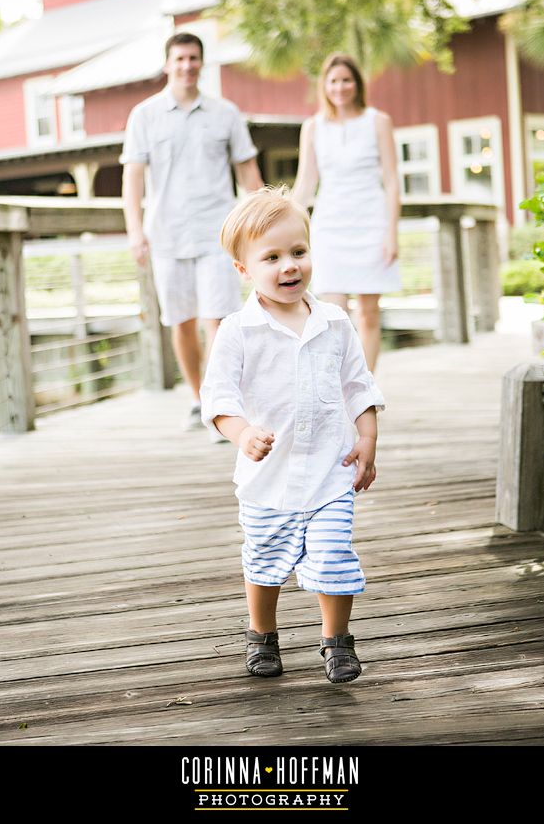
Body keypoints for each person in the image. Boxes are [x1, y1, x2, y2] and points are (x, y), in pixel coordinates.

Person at [200, 186, 385, 683]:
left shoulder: (334, 322)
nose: (289, 266)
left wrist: (366, 440)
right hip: (269, 481)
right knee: (264, 560)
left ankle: (337, 641)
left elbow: (358, 385)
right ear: (244, 270)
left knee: (334, 554)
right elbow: (217, 400)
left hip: (330, 472)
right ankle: (262, 634)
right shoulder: (237, 331)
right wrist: (241, 434)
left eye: (298, 252)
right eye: (273, 257)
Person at [121, 32, 264, 431]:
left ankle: (223, 405)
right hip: (167, 235)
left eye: (194, 58)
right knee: (181, 321)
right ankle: (196, 397)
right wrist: (135, 230)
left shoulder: (226, 113)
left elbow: (247, 170)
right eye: (180, 58)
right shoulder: (144, 116)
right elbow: (132, 178)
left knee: (218, 321)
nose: (187, 65)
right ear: (168, 64)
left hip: (217, 235)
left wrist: (263, 222)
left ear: (202, 63)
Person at [292, 52, 401, 372]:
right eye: (334, 80)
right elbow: (306, 182)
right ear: (324, 85)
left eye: (346, 80)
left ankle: (365, 388)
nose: (340, 87)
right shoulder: (313, 127)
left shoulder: (378, 121)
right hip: (330, 225)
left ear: (357, 84)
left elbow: (392, 181)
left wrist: (391, 233)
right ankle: (337, 389)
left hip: (371, 222)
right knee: (331, 314)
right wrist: (284, 219)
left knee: (368, 312)